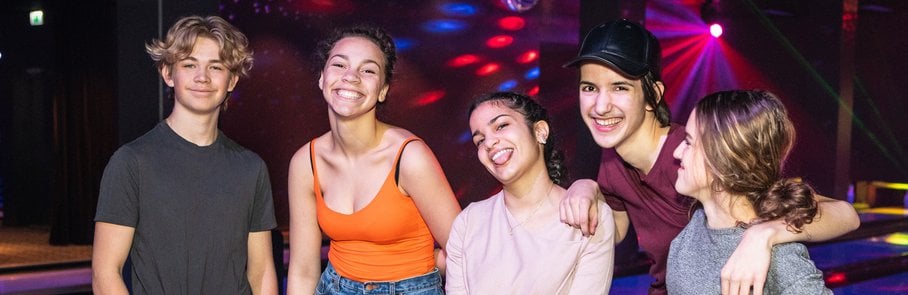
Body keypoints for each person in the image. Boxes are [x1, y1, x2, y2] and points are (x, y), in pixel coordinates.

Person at [558, 19, 859, 294]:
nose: (600, 106)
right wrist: (586, 186)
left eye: (619, 87)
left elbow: (843, 214)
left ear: (653, 96)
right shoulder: (611, 163)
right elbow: (611, 232)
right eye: (589, 88)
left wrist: (764, 234)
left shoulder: (704, 156)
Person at [92, 15, 278, 294]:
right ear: (168, 74)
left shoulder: (251, 168)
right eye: (189, 65)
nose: (202, 77)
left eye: (215, 67)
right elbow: (106, 273)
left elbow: (261, 271)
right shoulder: (132, 162)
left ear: (232, 81)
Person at [285, 26, 461, 295]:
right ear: (322, 78)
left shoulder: (409, 157)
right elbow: (303, 271)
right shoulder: (305, 162)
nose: (351, 76)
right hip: (334, 287)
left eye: (368, 70)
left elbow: (463, 251)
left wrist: (417, 276)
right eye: (339, 64)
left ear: (382, 90)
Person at [445, 92, 615, 294]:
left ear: (540, 131)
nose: (489, 143)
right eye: (480, 140)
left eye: (501, 126)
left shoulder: (588, 217)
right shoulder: (468, 223)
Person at [667, 89, 832, 294]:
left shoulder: (779, 260)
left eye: (689, 142)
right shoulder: (697, 224)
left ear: (725, 159)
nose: (676, 152)